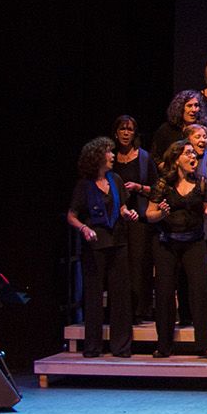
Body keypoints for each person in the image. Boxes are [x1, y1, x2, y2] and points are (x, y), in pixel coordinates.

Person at [146, 140, 207, 358]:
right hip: (167, 242)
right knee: (165, 292)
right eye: (188, 153)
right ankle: (164, 345)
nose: (193, 157)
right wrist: (161, 214)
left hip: (194, 241)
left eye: (194, 154)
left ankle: (205, 344)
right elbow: (149, 214)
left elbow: (206, 206)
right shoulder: (163, 184)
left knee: (199, 291)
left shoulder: (203, 182)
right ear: (177, 158)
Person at [67, 136, 138, 357]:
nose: (113, 155)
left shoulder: (115, 179)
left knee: (120, 295)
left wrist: (128, 213)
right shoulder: (84, 186)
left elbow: (122, 207)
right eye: (109, 152)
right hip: (95, 244)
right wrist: (84, 229)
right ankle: (93, 346)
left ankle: (121, 346)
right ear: (98, 156)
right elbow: (72, 215)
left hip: (118, 242)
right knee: (94, 295)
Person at [110, 115, 157, 323]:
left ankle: (140, 309)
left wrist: (139, 187)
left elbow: (157, 189)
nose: (126, 133)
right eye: (122, 129)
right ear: (116, 133)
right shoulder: (110, 158)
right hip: (117, 218)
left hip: (139, 217)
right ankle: (121, 307)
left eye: (129, 129)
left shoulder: (144, 157)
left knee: (139, 262)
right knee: (119, 263)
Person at [152, 90, 205, 158]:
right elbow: (156, 158)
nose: (194, 110)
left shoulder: (204, 128)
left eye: (196, 105)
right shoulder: (166, 130)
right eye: (189, 106)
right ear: (180, 108)